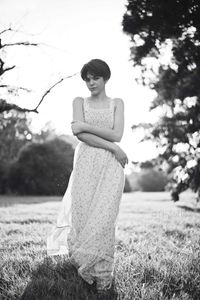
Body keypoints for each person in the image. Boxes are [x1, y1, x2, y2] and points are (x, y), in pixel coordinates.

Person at [46, 58, 128, 292]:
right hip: (85, 163)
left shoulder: (117, 103)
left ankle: (103, 275)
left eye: (96, 78)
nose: (91, 83)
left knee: (104, 219)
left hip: (111, 167)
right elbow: (80, 136)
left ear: (105, 78)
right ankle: (85, 267)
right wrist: (113, 146)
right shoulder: (79, 101)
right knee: (82, 216)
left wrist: (84, 126)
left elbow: (117, 134)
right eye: (87, 79)